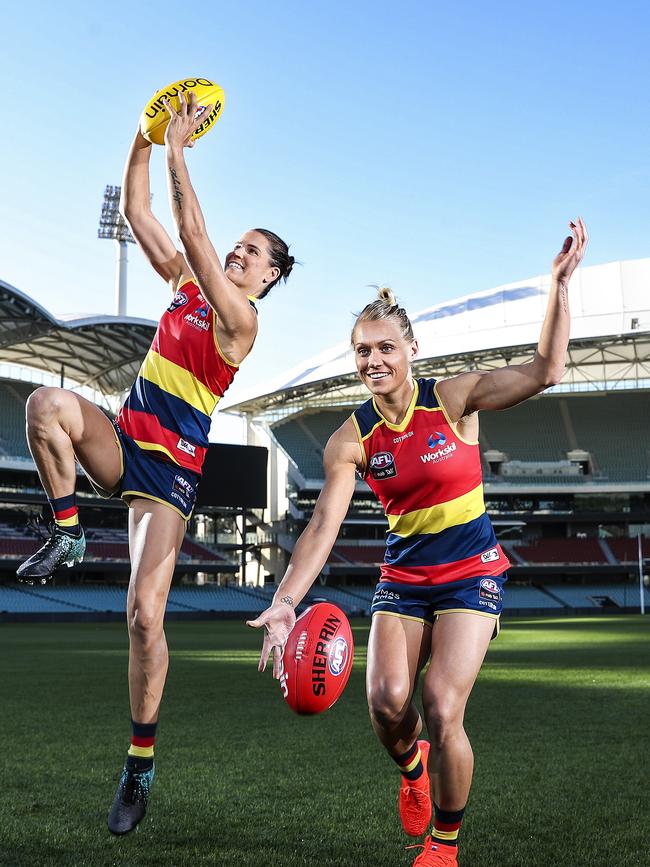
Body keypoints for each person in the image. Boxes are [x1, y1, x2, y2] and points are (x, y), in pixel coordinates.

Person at [248, 218, 587, 866]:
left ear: (410, 349)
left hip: (470, 571)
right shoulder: (350, 438)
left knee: (440, 703)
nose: (374, 360)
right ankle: (412, 770)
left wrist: (558, 286)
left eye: (385, 347)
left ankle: (443, 843)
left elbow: (546, 369)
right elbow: (323, 524)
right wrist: (288, 598)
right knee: (385, 704)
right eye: (362, 351)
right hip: (403, 577)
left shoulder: (454, 399)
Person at [16, 93, 295, 835]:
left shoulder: (241, 321)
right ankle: (69, 529)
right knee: (45, 404)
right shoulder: (186, 287)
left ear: (266, 278)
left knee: (144, 616)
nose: (237, 252)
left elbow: (191, 230)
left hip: (170, 471)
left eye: (252, 252)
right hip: (122, 437)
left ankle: (139, 764)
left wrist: (178, 148)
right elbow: (142, 214)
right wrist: (141, 139)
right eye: (239, 244)